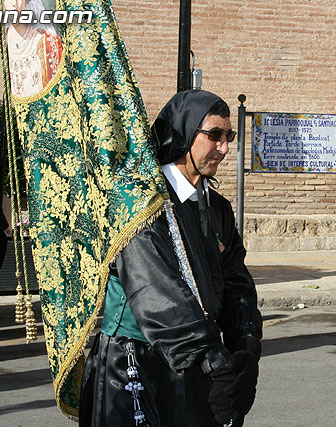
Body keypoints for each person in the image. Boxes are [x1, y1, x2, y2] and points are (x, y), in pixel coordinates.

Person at [80, 90, 262, 427]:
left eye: (229, 136)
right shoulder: (140, 202)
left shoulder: (217, 207)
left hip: (196, 357)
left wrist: (245, 349)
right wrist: (212, 360)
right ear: (184, 133)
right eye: (214, 136)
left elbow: (235, 279)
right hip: (137, 363)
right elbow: (155, 290)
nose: (224, 148)